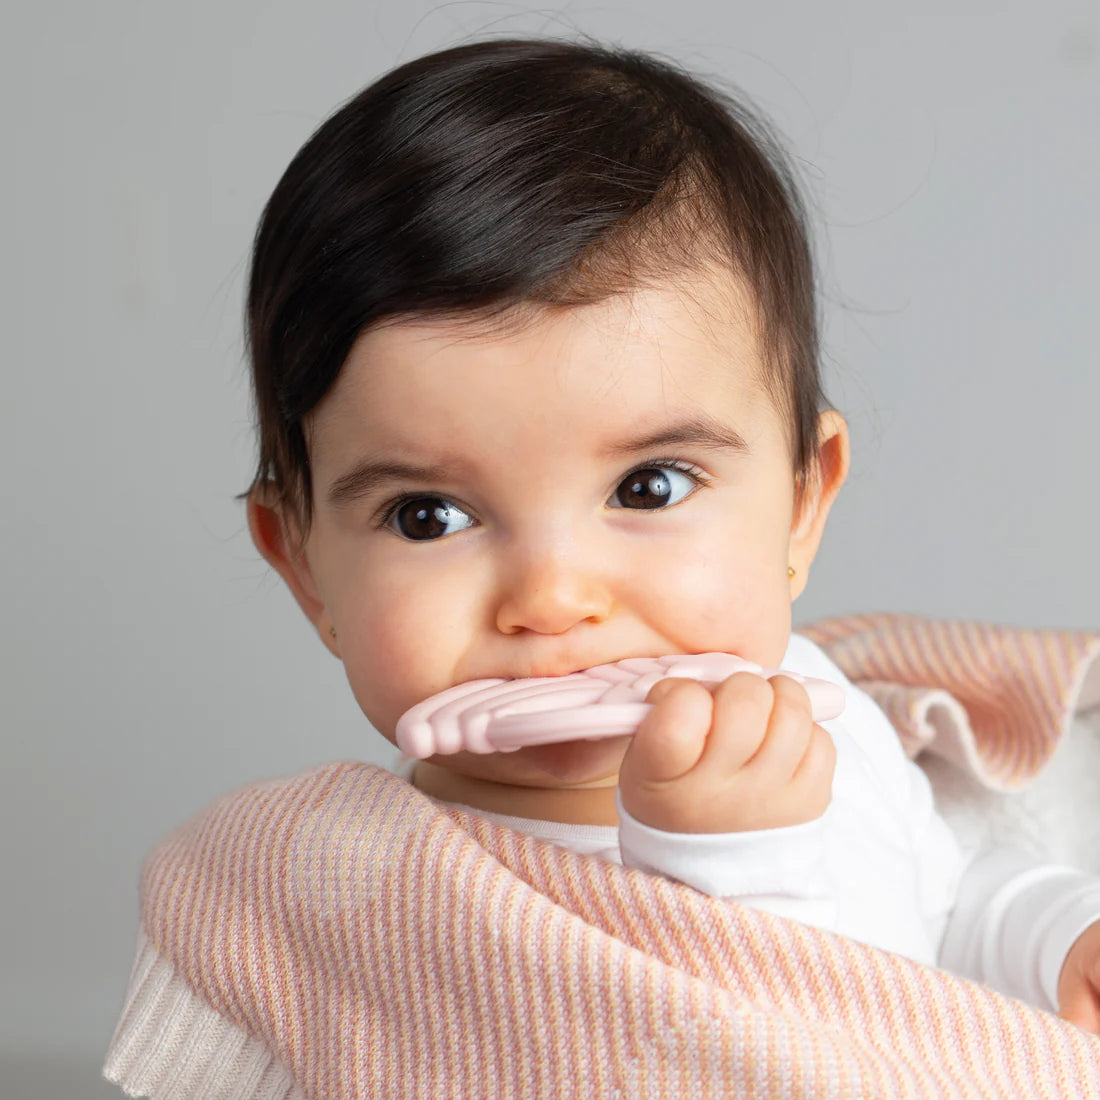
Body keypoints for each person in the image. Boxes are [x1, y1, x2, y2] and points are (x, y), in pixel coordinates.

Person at [105, 37, 1100, 1095]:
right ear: (306, 569)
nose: (552, 598)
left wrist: (1056, 938)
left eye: (648, 488)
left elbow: (943, 896)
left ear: (802, 503)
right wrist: (727, 871)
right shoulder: (392, 917)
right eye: (428, 516)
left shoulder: (822, 711)